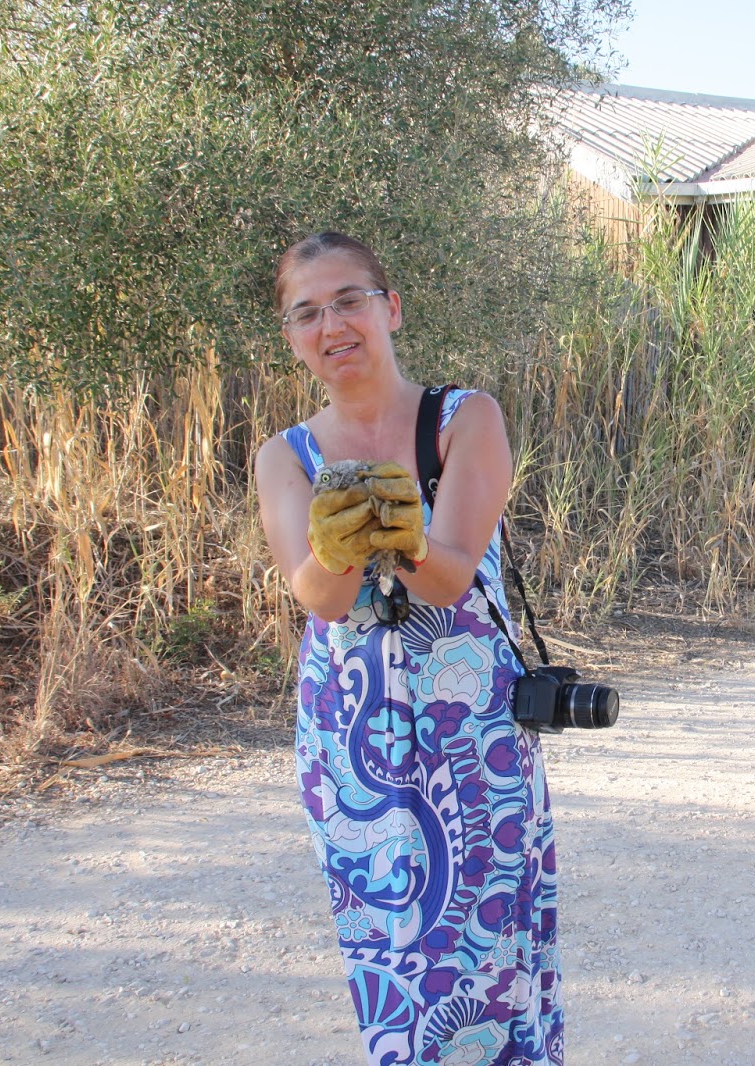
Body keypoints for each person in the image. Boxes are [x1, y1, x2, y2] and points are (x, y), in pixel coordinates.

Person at [254, 232, 562, 1065]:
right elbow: (320, 598)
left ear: (390, 309)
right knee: (391, 956)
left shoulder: (466, 419)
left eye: (349, 301)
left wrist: (404, 535)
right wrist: (342, 547)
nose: (332, 326)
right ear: (291, 336)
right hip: (350, 744)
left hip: (472, 731)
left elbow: (450, 579)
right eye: (307, 313)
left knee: (489, 955)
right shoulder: (284, 457)